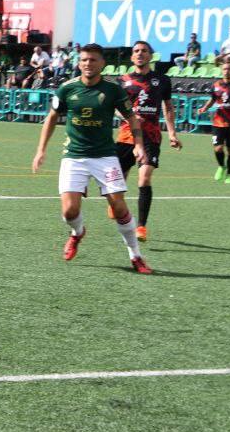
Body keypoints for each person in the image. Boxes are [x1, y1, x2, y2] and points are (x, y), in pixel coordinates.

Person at [31, 43, 151, 274]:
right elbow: (52, 117)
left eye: (93, 60)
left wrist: (138, 145)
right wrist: (41, 150)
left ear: (102, 64)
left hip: (105, 156)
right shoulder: (67, 89)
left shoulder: (113, 90)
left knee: (119, 207)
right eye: (84, 60)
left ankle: (136, 256)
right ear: (79, 63)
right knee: (69, 211)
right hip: (74, 156)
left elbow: (132, 118)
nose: (88, 64)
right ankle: (77, 233)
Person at [116, 41, 182, 241]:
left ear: (151, 56)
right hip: (127, 134)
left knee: (144, 177)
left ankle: (141, 227)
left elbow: (168, 107)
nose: (140, 54)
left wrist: (172, 133)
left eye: (144, 51)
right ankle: (116, 203)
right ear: (131, 57)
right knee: (118, 179)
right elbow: (116, 108)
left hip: (151, 136)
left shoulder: (162, 80)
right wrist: (130, 117)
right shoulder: (123, 80)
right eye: (136, 51)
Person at [197, 61, 230, 184]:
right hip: (218, 122)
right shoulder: (216, 85)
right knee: (218, 148)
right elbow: (212, 99)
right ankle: (221, 166)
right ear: (222, 70)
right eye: (224, 69)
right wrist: (204, 108)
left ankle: (229, 175)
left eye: (229, 69)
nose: (226, 71)